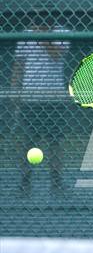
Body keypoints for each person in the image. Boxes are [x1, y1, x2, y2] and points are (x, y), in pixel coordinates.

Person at [11, 25, 70, 193]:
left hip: (53, 98)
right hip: (30, 98)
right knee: (27, 142)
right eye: (36, 17)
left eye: (45, 16)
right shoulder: (25, 35)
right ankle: (25, 181)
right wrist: (15, 91)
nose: (40, 20)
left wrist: (41, 36)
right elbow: (18, 66)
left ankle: (57, 182)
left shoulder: (62, 33)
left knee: (55, 142)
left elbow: (56, 55)